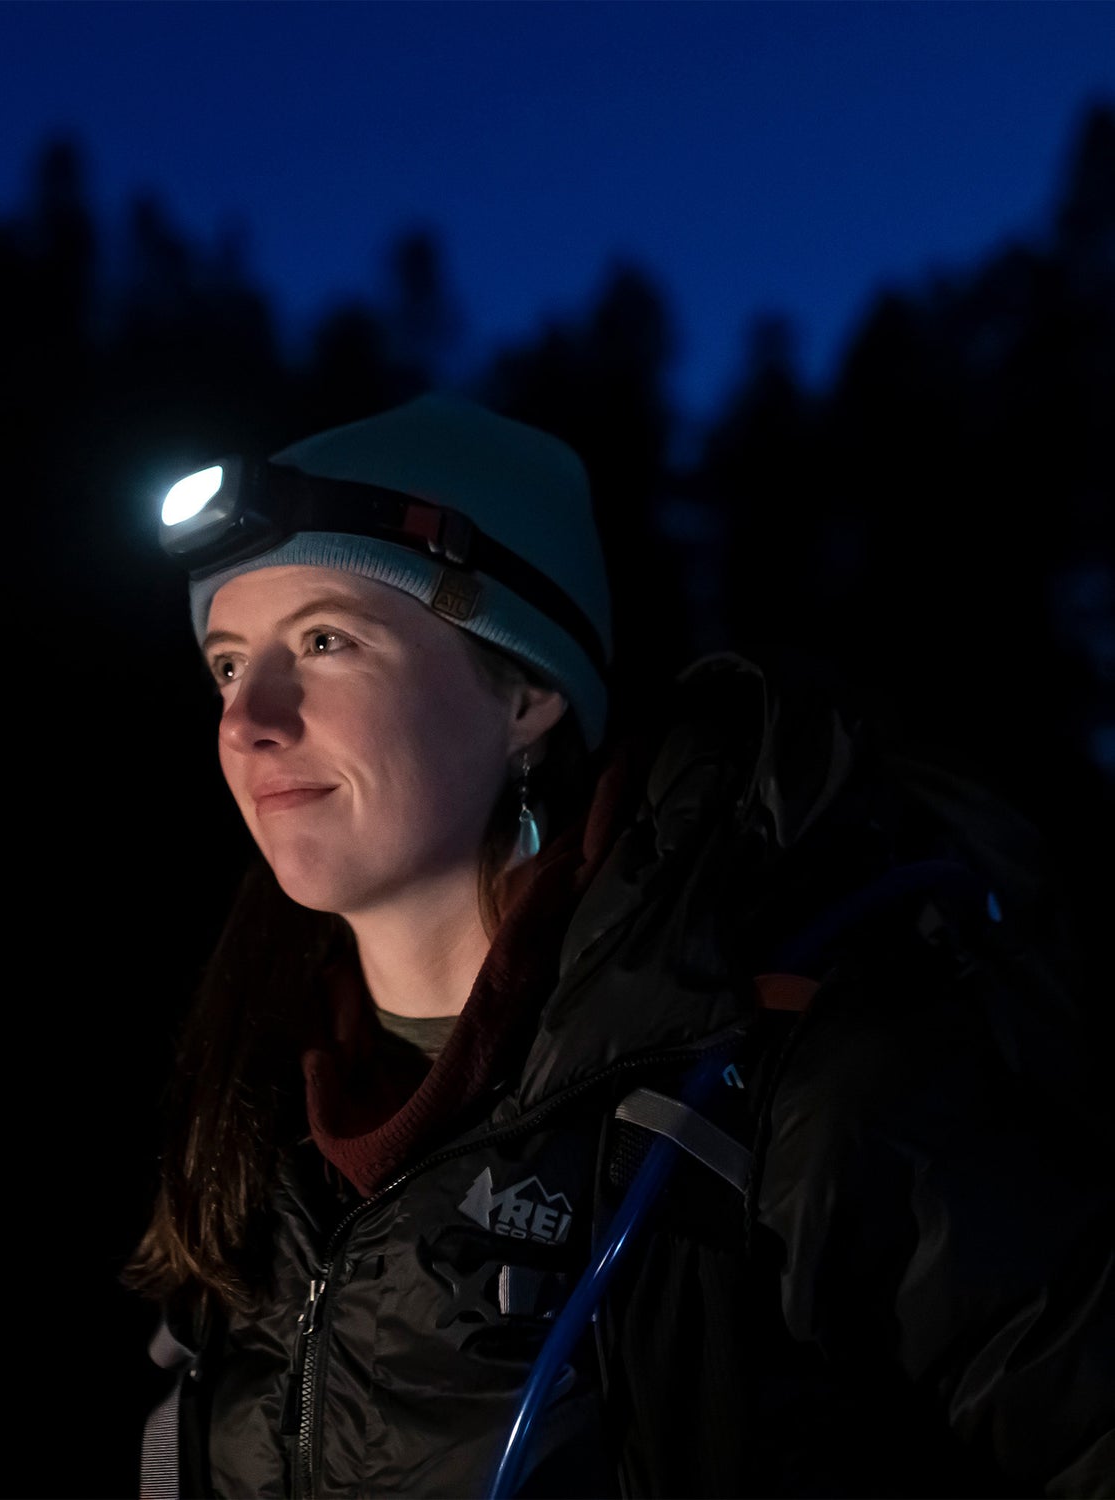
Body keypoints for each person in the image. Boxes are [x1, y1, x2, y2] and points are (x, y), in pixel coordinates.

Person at [126, 392, 1113, 1498]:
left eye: (325, 640)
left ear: (528, 693)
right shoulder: (247, 1129)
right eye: (225, 661)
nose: (249, 715)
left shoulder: (784, 1085)